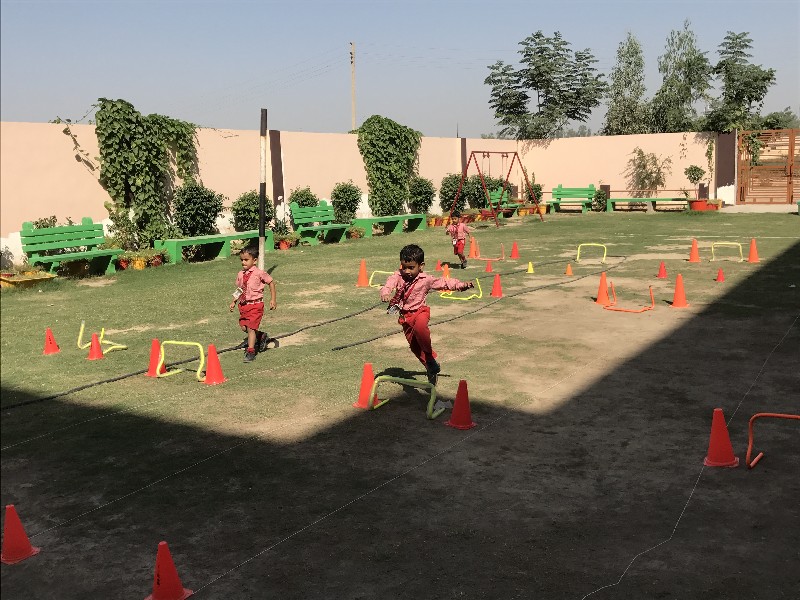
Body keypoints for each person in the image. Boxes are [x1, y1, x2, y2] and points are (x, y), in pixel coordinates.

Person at [380, 244, 473, 386]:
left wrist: (461, 285)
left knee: (420, 328)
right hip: (405, 317)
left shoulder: (426, 279)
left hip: (420, 311)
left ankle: (429, 357)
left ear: (421, 266)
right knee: (415, 347)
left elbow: (444, 283)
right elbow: (388, 284)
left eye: (411, 267)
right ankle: (431, 368)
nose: (407, 271)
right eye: (404, 267)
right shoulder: (398, 276)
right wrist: (385, 293)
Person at [229, 245, 277, 362]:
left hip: (256, 305)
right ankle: (261, 336)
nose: (243, 262)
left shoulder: (259, 273)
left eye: (246, 260)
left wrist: (273, 299)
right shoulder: (241, 274)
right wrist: (234, 301)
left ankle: (251, 351)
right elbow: (240, 289)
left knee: (250, 328)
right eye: (241, 260)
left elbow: (271, 282)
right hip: (244, 305)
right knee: (244, 327)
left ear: (254, 260)